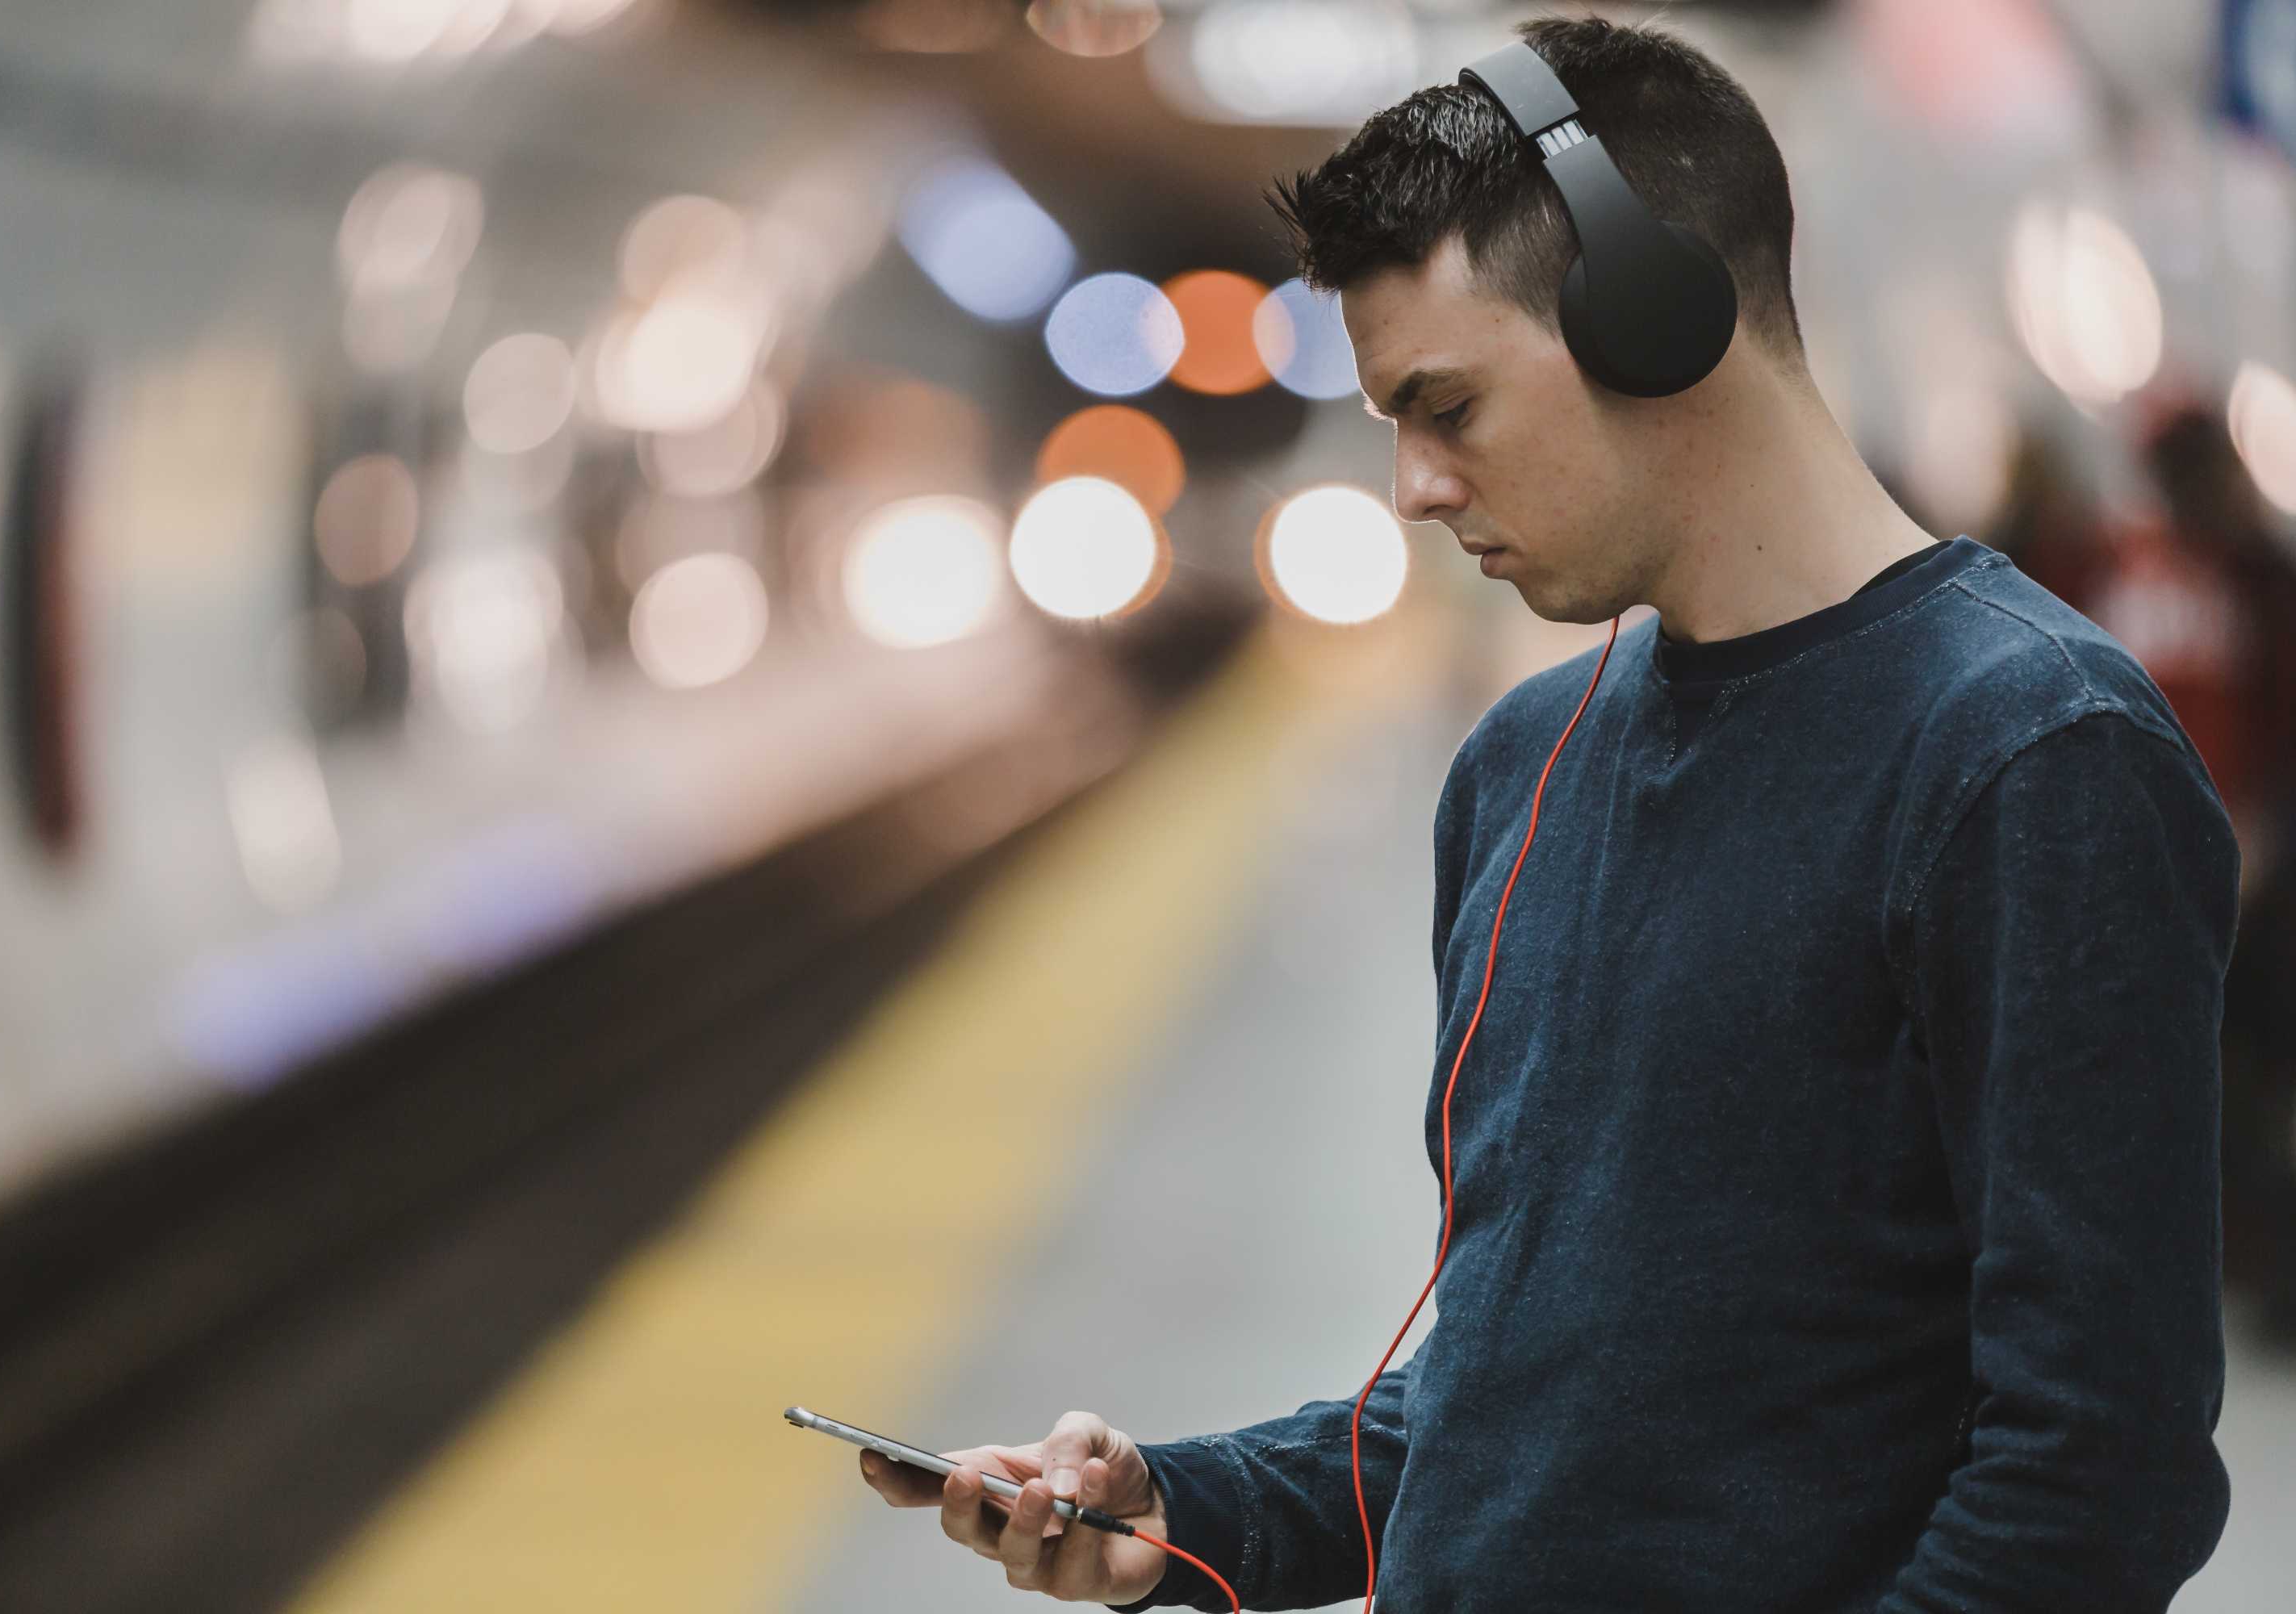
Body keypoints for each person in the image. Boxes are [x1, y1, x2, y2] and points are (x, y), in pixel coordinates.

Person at [859, 16, 2240, 1611]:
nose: (1412, 490)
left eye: (1447, 408)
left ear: (1656, 324)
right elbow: (1517, 1400)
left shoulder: (2027, 752)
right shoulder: (1519, 764)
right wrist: (1178, 1511)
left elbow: (2093, 1479)